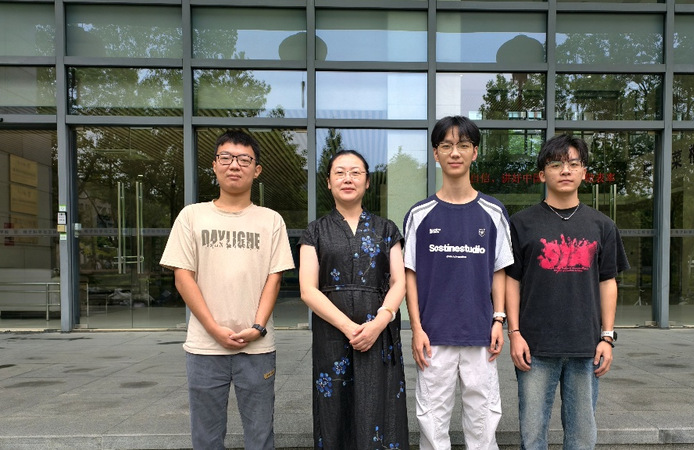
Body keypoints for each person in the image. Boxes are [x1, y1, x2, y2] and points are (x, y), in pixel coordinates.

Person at [160, 130, 295, 450]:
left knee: (260, 437)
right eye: (226, 157)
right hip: (204, 347)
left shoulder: (271, 220)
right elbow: (183, 277)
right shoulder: (191, 216)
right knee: (205, 438)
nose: (235, 165)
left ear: (257, 170)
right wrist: (213, 328)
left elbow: (274, 279)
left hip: (257, 349)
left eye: (244, 159)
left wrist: (258, 327)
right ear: (214, 165)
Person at [505, 134, 629, 450]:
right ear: (541, 174)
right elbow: (511, 281)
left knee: (582, 436)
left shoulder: (602, 225)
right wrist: (514, 333)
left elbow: (608, 282)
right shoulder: (520, 223)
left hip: (585, 345)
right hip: (535, 345)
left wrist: (607, 337)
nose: (565, 170)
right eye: (556, 164)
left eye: (574, 164)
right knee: (532, 435)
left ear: (584, 172)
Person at [403, 115, 514, 450]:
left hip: (480, 333)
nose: (455, 152)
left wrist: (498, 320)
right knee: (432, 421)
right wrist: (416, 328)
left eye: (463, 145)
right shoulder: (419, 214)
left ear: (474, 152)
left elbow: (499, 270)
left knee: (483, 421)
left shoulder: (494, 212)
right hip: (433, 335)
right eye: (447, 145)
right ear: (435, 153)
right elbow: (410, 274)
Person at [299, 150, 408, 450]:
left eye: (355, 172)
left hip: (379, 333)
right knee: (335, 408)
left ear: (367, 182)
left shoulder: (387, 229)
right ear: (328, 182)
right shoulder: (315, 231)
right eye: (340, 172)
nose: (348, 178)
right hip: (333, 333)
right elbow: (308, 289)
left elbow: (399, 282)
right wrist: (349, 328)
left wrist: (379, 322)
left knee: (379, 405)